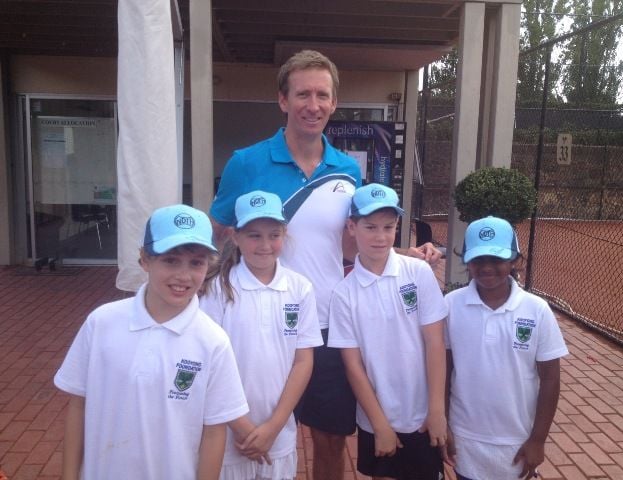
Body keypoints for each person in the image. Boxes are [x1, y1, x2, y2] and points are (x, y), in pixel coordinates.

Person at [209, 49, 442, 480]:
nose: (312, 105)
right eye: (302, 94)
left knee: (331, 442)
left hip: (328, 326)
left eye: (322, 95)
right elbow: (218, 233)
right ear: (283, 100)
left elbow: (352, 244)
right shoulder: (246, 163)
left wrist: (406, 253)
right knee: (248, 436)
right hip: (258, 322)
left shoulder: (346, 170)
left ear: (334, 102)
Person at [54, 204, 249, 480]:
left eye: (196, 262)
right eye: (171, 260)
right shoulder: (101, 323)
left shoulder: (213, 341)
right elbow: (78, 406)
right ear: (144, 260)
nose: (183, 275)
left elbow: (214, 431)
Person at [328, 183, 449, 480]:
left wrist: (436, 410)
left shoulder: (418, 272)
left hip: (422, 416)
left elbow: (435, 343)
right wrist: (379, 424)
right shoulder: (343, 293)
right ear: (352, 227)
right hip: (376, 419)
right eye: (370, 227)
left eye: (388, 227)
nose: (380, 237)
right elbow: (353, 366)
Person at [200, 190, 323, 480]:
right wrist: (242, 427)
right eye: (254, 235)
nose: (265, 245)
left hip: (278, 435)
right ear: (235, 237)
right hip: (226, 435)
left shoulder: (300, 288)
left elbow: (303, 361)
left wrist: (273, 427)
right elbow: (208, 365)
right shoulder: (217, 288)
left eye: (274, 235)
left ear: (285, 234)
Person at [444, 216, 569, 480]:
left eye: (497, 259)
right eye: (478, 259)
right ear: (466, 260)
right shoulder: (451, 305)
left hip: (517, 441)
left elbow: (550, 379)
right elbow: (443, 371)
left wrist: (538, 439)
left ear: (515, 260)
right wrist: (444, 425)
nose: (486, 267)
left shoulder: (536, 310)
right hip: (466, 437)